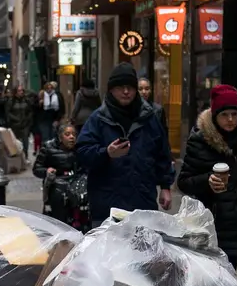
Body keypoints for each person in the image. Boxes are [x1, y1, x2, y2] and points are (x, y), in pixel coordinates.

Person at [176, 85, 237, 269]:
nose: (230, 120)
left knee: (229, 279)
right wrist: (207, 181)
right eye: (224, 114)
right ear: (214, 115)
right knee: (208, 282)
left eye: (235, 114)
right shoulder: (200, 140)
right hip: (206, 225)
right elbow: (184, 181)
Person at [75, 63, 175, 225]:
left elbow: (162, 154)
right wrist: (106, 153)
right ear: (111, 90)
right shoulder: (98, 119)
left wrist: (165, 186)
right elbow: (82, 154)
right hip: (107, 206)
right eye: (121, 87)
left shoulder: (149, 118)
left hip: (142, 203)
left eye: (130, 87)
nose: (126, 91)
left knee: (144, 249)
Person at [33, 122, 81, 224]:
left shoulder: (80, 148)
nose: (72, 137)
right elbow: (37, 169)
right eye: (67, 134)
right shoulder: (48, 147)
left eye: (74, 134)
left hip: (76, 181)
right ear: (60, 137)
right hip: (56, 183)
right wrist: (47, 171)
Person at [6, 85, 36, 155]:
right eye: (19, 91)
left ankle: (25, 156)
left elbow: (30, 111)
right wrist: (15, 119)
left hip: (25, 124)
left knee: (25, 141)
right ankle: (19, 156)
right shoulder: (11, 101)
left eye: (22, 90)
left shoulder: (26, 100)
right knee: (16, 142)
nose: (21, 92)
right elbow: (8, 112)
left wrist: (27, 119)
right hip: (15, 124)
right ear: (15, 92)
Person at [36, 81, 62, 152]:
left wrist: (58, 119)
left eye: (51, 88)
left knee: (53, 138)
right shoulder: (41, 95)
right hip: (43, 120)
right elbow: (35, 109)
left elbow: (61, 108)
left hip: (53, 119)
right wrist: (39, 104)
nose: (49, 89)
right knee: (45, 138)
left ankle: (52, 153)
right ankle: (45, 153)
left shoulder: (57, 95)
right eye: (47, 88)